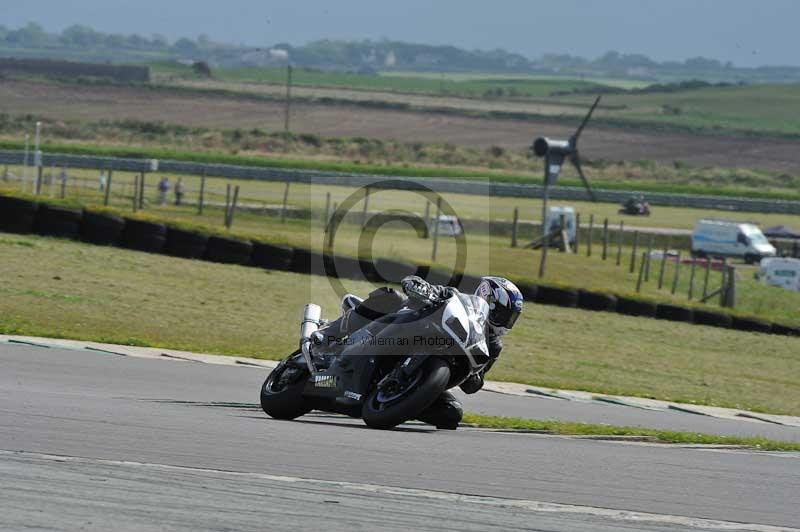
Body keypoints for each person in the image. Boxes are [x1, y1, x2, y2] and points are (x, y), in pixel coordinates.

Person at [315, 275, 524, 429]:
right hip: (404, 335)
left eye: (511, 317)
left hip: (429, 371)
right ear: (489, 301)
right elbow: (416, 284)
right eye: (505, 314)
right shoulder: (457, 299)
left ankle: (397, 401)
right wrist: (420, 288)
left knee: (452, 414)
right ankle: (327, 336)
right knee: (390, 297)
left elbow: (474, 384)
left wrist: (475, 376)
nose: (507, 322)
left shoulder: (493, 345)